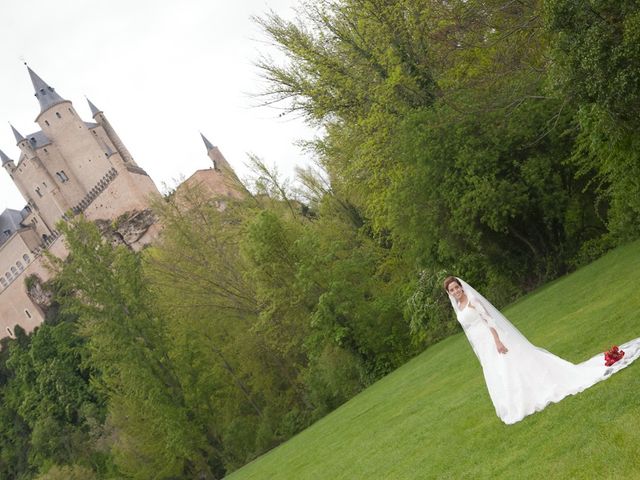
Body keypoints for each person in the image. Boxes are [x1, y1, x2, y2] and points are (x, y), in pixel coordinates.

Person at [444, 276, 640, 424]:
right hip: (482, 345)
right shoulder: (459, 307)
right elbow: (470, 330)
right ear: (450, 293)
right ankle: (511, 402)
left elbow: (489, 321)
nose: (455, 291)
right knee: (497, 372)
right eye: (452, 290)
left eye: (456, 287)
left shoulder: (472, 301)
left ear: (461, 287)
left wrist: (497, 341)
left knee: (510, 366)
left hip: (492, 339)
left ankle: (526, 397)